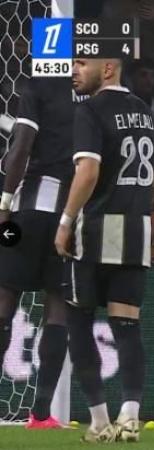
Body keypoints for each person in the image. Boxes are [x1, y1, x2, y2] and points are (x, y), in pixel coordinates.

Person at [55, 58, 154, 443]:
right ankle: (131, 414)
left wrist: (67, 220)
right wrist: (133, 200)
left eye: (82, 63)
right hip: (136, 232)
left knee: (78, 322)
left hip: (95, 230)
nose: (74, 70)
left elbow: (87, 172)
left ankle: (100, 421)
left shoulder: (89, 109)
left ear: (108, 68)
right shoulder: (144, 111)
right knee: (127, 326)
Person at [0, 78, 75, 429]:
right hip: (68, 217)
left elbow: (21, 147)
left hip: (26, 214)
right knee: (57, 305)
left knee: (4, 296)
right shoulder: (93, 95)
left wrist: (4, 203)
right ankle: (41, 414)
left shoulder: (37, 88)